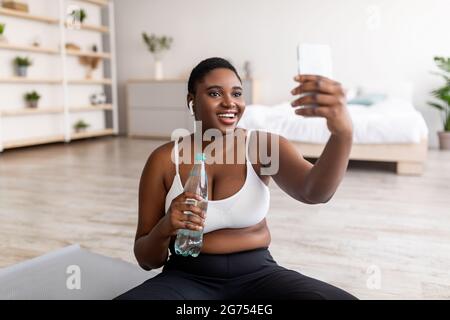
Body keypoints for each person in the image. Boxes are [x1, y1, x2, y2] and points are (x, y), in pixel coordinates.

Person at [115, 57, 357, 300]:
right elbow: (147, 260)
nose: (229, 103)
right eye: (214, 93)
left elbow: (315, 193)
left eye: (237, 93)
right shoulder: (164, 160)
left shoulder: (263, 147)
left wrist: (342, 133)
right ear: (192, 101)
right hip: (186, 279)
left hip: (260, 278)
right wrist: (165, 226)